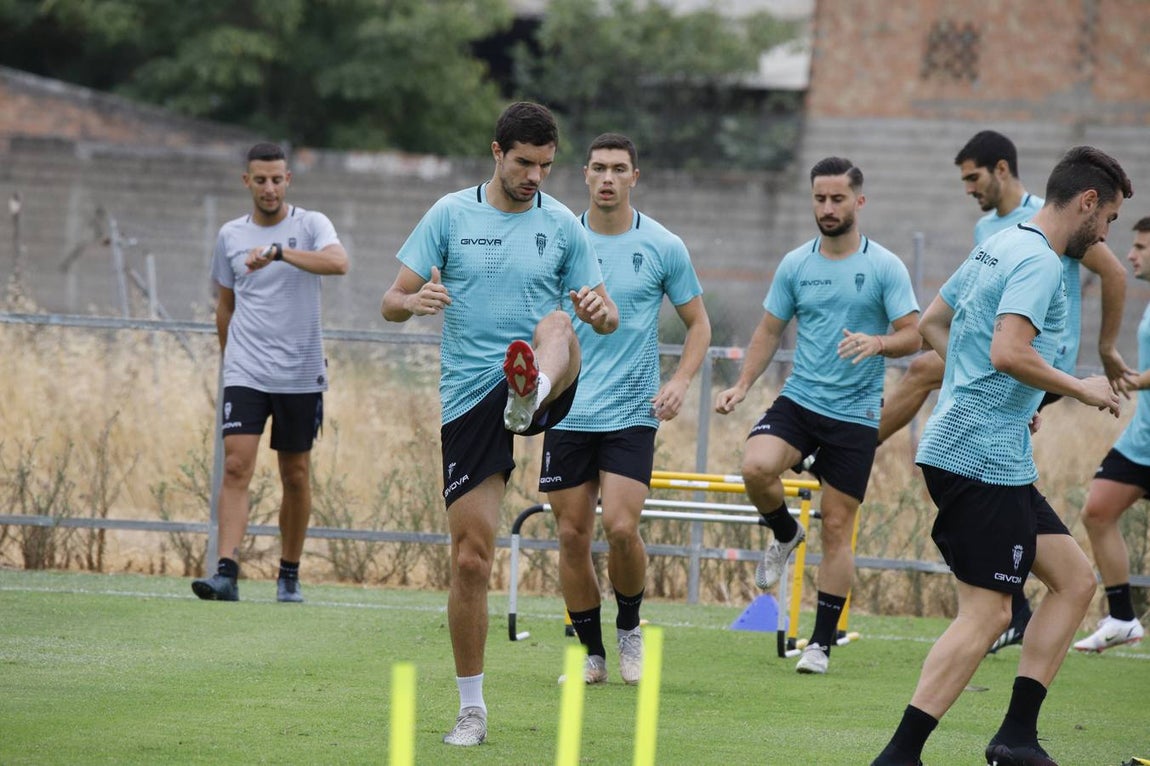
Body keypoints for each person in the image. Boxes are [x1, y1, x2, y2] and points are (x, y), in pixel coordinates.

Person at [871, 146, 1131, 766]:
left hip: (989, 450)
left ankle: (1016, 737)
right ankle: (899, 756)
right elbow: (1009, 351)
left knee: (1073, 581)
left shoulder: (1004, 242)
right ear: (1089, 202)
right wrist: (1078, 387)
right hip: (975, 457)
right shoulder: (1040, 261)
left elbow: (937, 320)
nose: (1107, 236)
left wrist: (1007, 397)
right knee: (987, 614)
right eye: (1111, 219)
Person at [380, 102, 618, 747]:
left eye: (545, 165)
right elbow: (390, 301)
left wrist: (600, 310)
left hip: (544, 375)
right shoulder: (451, 214)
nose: (536, 175)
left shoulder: (564, 225)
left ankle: (531, 392)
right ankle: (472, 709)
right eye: (524, 163)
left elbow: (605, 317)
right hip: (471, 396)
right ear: (496, 152)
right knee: (471, 562)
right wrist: (415, 300)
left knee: (559, 323)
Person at [715, 156, 921, 675]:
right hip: (801, 401)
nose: (827, 208)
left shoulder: (884, 267)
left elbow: (914, 333)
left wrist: (877, 342)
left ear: (858, 201)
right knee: (755, 467)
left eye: (837, 199)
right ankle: (784, 533)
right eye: (819, 199)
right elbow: (767, 331)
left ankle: (821, 644)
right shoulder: (796, 264)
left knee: (837, 526)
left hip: (854, 416)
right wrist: (742, 385)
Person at [539, 133, 711, 685]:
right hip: (566, 407)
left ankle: (630, 627)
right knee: (570, 534)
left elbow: (699, 325)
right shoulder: (559, 241)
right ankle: (591, 654)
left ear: (635, 176)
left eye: (618, 168)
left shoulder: (663, 245)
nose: (608, 178)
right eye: (598, 168)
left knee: (618, 524)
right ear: (584, 175)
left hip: (633, 410)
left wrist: (681, 381)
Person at [192, 142, 349, 603]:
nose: (269, 187)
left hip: (300, 370)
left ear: (288, 181)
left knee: (295, 473)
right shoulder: (230, 236)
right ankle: (225, 572)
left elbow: (339, 263)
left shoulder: (311, 225)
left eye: (277, 178)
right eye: (260, 179)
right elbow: (225, 305)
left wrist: (280, 252)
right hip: (246, 369)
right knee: (237, 465)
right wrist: (229, 364)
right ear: (247, 182)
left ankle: (289, 572)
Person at [1073, 216, 1150, 653]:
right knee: (1098, 511)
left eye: (1140, 246)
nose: (1130, 253)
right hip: (1142, 440)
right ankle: (1122, 618)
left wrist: (1131, 381)